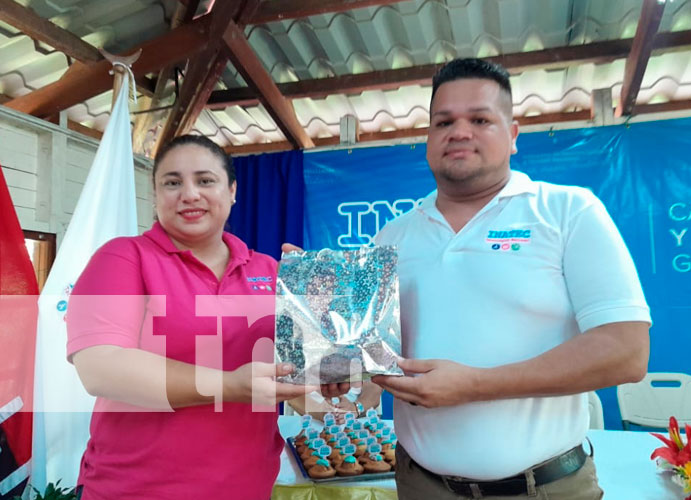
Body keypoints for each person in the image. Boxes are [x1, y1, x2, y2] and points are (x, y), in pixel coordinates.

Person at [369, 58, 651, 499]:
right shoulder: (392, 236)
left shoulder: (567, 211)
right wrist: (313, 304)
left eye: (480, 119)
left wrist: (474, 386)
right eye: (443, 121)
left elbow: (626, 352)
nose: (459, 132)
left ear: (514, 135)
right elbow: (365, 357)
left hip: (546, 489)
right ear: (427, 137)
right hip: (420, 485)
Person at [66, 135, 315, 500]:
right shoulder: (123, 258)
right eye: (172, 182)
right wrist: (230, 384)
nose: (189, 194)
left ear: (232, 191)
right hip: (135, 491)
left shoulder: (270, 270)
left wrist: (328, 331)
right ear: (155, 194)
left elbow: (298, 380)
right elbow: (100, 367)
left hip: (246, 488)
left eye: (205, 180)